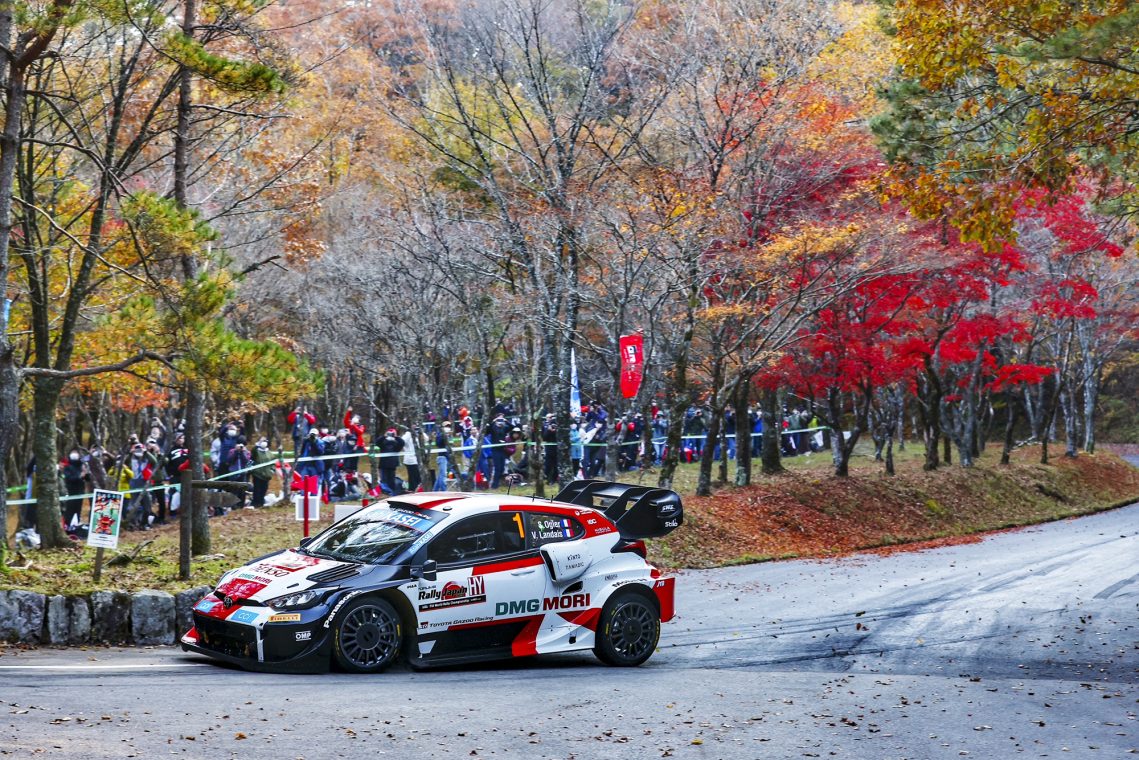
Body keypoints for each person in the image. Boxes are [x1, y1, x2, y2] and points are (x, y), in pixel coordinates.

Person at [60, 449, 90, 532]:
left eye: (76, 453)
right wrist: (79, 476)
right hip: (71, 492)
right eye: (73, 453)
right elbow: (69, 478)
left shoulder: (81, 466)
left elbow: (87, 479)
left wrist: (86, 473)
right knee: (69, 510)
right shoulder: (68, 467)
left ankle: (75, 526)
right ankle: (67, 526)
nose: (74, 454)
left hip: (80, 492)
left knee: (78, 510)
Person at [375, 427, 404, 494]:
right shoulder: (383, 443)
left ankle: (392, 492)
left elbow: (402, 443)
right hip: (384, 464)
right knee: (384, 480)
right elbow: (377, 442)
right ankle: (385, 492)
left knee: (391, 480)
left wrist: (396, 437)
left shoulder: (396, 444)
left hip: (392, 465)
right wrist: (384, 436)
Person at [251, 438, 274, 507]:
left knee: (264, 490)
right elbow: (253, 452)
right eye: (262, 441)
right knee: (257, 490)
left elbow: (273, 463)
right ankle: (255, 503)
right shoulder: (256, 452)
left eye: (265, 441)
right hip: (257, 474)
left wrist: (272, 471)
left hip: (266, 475)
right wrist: (258, 444)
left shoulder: (269, 453)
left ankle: (261, 503)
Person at [401, 426, 421, 493]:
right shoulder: (407, 435)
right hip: (410, 460)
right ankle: (413, 489)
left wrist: (421, 432)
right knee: (413, 476)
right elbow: (402, 441)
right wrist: (409, 433)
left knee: (416, 476)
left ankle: (414, 489)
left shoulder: (417, 434)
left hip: (418, 459)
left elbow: (426, 439)